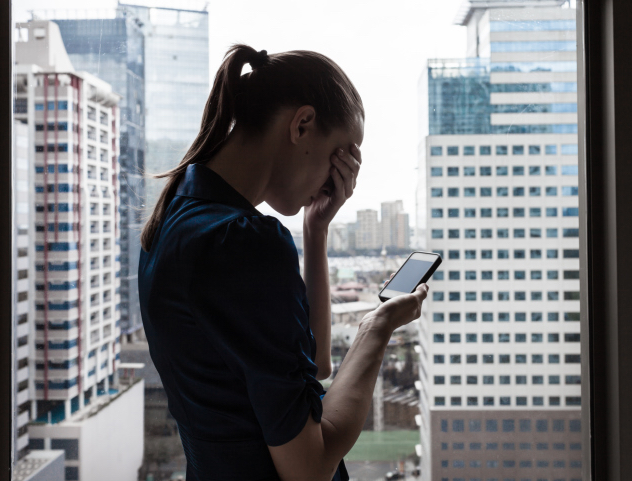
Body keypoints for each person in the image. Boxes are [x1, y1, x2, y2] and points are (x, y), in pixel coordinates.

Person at [138, 44, 428, 481]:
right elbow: (310, 469)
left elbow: (309, 361)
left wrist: (315, 231)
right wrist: (376, 328)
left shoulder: (174, 215)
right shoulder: (241, 244)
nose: (338, 180)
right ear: (303, 124)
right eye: (341, 156)